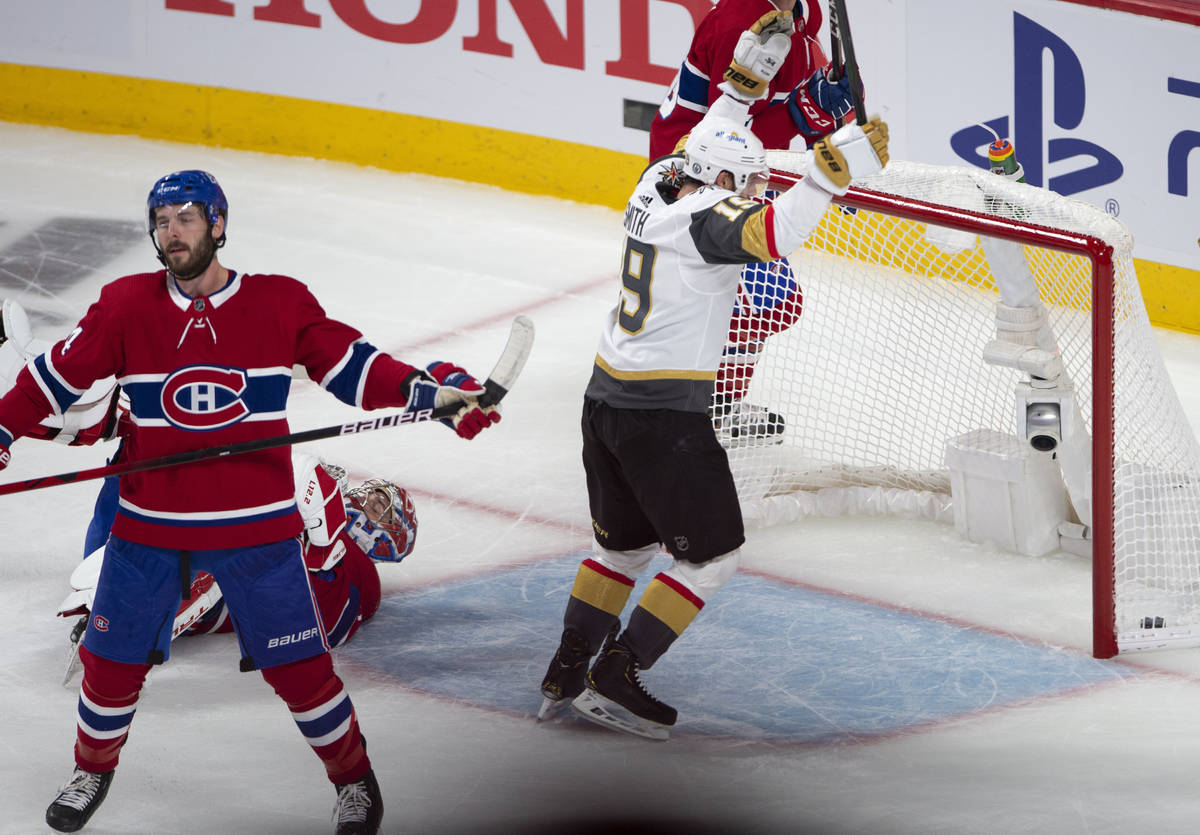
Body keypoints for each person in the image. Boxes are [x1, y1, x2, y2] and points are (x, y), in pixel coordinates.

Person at [0, 169, 500, 834]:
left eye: (185, 216)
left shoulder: (278, 304)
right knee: (108, 665)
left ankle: (355, 782)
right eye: (161, 219)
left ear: (219, 224)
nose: (171, 231)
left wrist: (429, 393)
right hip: (148, 530)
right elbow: (50, 379)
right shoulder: (125, 307)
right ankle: (92, 769)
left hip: (257, 533)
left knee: (300, 669)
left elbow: (353, 367)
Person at [538, 10, 888, 740]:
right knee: (714, 558)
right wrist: (838, 166)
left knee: (621, 548)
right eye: (746, 178)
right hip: (661, 421)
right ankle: (617, 671)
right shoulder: (708, 225)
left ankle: (564, 669)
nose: (755, 186)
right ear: (720, 179)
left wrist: (740, 82)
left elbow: (713, 133)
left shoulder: (657, 182)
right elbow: (778, 229)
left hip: (602, 400)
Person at [650, 0, 859, 444]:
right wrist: (806, 112)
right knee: (765, 302)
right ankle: (691, 401)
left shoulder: (806, 11)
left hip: (742, 175)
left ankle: (717, 403)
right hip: (692, 180)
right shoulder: (736, 23)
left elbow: (798, 98)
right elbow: (720, 141)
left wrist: (826, 127)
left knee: (764, 303)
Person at [58, 452, 418, 678]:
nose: (361, 500)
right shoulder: (327, 533)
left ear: (388, 541)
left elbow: (329, 628)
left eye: (376, 508)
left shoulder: (363, 577)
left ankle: (123, 631)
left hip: (221, 601)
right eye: (370, 495)